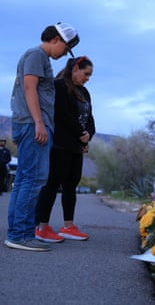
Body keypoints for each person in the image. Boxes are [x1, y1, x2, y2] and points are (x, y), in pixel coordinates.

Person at [5, 23, 79, 252]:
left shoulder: (39, 58)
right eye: (65, 48)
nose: (64, 54)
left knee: (25, 180)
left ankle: (17, 231)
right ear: (56, 39)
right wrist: (39, 122)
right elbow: (30, 88)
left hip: (29, 123)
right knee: (34, 179)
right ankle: (21, 235)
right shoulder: (36, 55)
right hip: (33, 124)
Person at [36, 56, 95, 243]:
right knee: (52, 185)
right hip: (60, 145)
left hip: (77, 147)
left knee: (71, 186)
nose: (87, 78)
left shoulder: (84, 92)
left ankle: (68, 226)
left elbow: (90, 119)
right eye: (86, 73)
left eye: (90, 75)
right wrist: (80, 133)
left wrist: (88, 136)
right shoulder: (59, 86)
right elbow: (62, 114)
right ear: (76, 68)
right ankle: (41, 227)